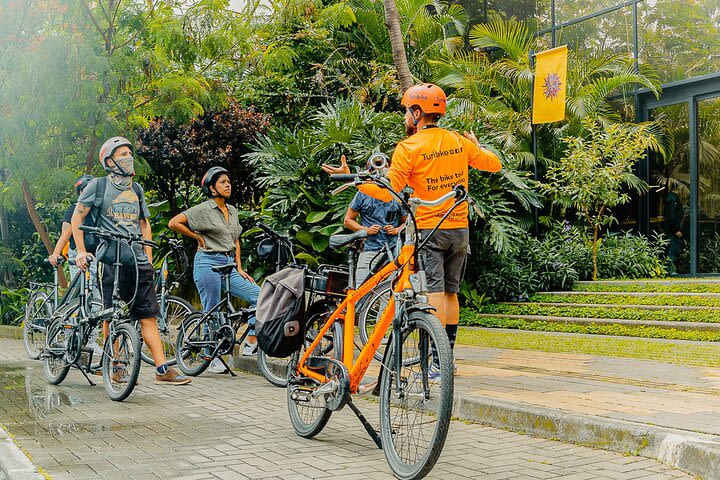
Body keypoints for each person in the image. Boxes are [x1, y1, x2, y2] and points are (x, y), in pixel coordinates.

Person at [323, 83, 502, 379]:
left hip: (430, 229)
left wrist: (354, 180)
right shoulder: (458, 141)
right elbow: (493, 165)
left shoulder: (409, 147)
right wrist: (479, 145)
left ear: (418, 112)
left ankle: (436, 364)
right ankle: (447, 359)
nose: (406, 116)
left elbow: (389, 191)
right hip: (459, 228)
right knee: (451, 294)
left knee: (434, 293)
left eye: (408, 110)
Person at [71, 136, 191, 385]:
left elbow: (144, 224)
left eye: (129, 152)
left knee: (148, 315)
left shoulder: (136, 190)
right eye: (122, 153)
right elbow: (77, 218)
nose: (128, 157)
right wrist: (81, 251)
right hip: (112, 260)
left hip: (137, 261)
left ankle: (162, 370)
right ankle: (115, 365)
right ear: (109, 161)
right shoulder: (99, 187)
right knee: (110, 314)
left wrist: (147, 259)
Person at [168, 166, 260, 374]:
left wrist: (239, 266)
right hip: (207, 263)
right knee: (213, 311)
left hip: (229, 265)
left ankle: (251, 340)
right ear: (212, 188)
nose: (228, 185)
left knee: (260, 295)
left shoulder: (233, 211)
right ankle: (210, 356)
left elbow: (235, 239)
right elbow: (174, 223)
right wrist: (199, 238)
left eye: (229, 181)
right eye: (222, 182)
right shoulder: (203, 209)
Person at [49, 175, 103, 359]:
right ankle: (68, 339)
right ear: (81, 193)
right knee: (80, 297)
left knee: (95, 301)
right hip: (76, 256)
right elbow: (66, 235)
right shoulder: (75, 210)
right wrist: (56, 253)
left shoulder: (99, 211)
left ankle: (90, 343)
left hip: (95, 256)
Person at [342, 155, 406, 285]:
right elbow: (348, 220)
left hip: (394, 252)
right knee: (362, 291)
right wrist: (366, 230)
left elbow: (408, 221)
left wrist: (397, 230)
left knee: (389, 293)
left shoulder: (397, 193)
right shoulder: (363, 193)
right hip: (370, 250)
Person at [664, 186, 685, 275]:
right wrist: (677, 229)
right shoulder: (674, 199)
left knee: (672, 247)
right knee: (674, 248)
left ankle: (670, 269)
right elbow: (673, 215)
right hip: (673, 230)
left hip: (669, 228)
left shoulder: (669, 198)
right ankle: (670, 270)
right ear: (677, 189)